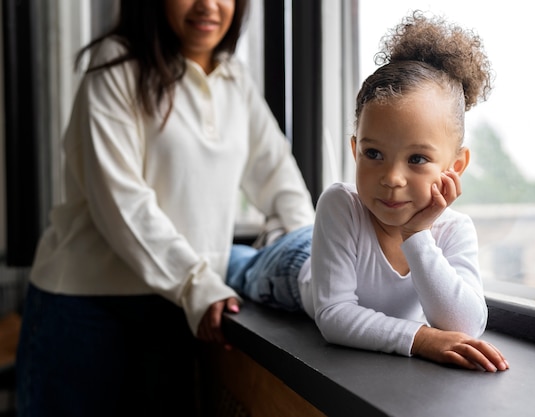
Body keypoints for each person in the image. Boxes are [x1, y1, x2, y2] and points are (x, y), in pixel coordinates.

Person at [16, 0, 315, 416]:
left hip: (174, 308)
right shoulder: (116, 65)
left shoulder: (234, 78)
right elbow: (121, 202)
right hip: (87, 307)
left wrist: (303, 269)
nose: (208, 5)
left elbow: (281, 182)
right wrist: (195, 284)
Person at [227, 10, 509, 373]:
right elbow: (334, 315)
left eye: (418, 158)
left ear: (455, 166)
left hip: (318, 247)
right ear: (354, 149)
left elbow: (466, 326)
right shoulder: (340, 203)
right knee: (236, 266)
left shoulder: (455, 231)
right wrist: (420, 339)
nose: (392, 177)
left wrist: (417, 235)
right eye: (373, 154)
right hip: (289, 267)